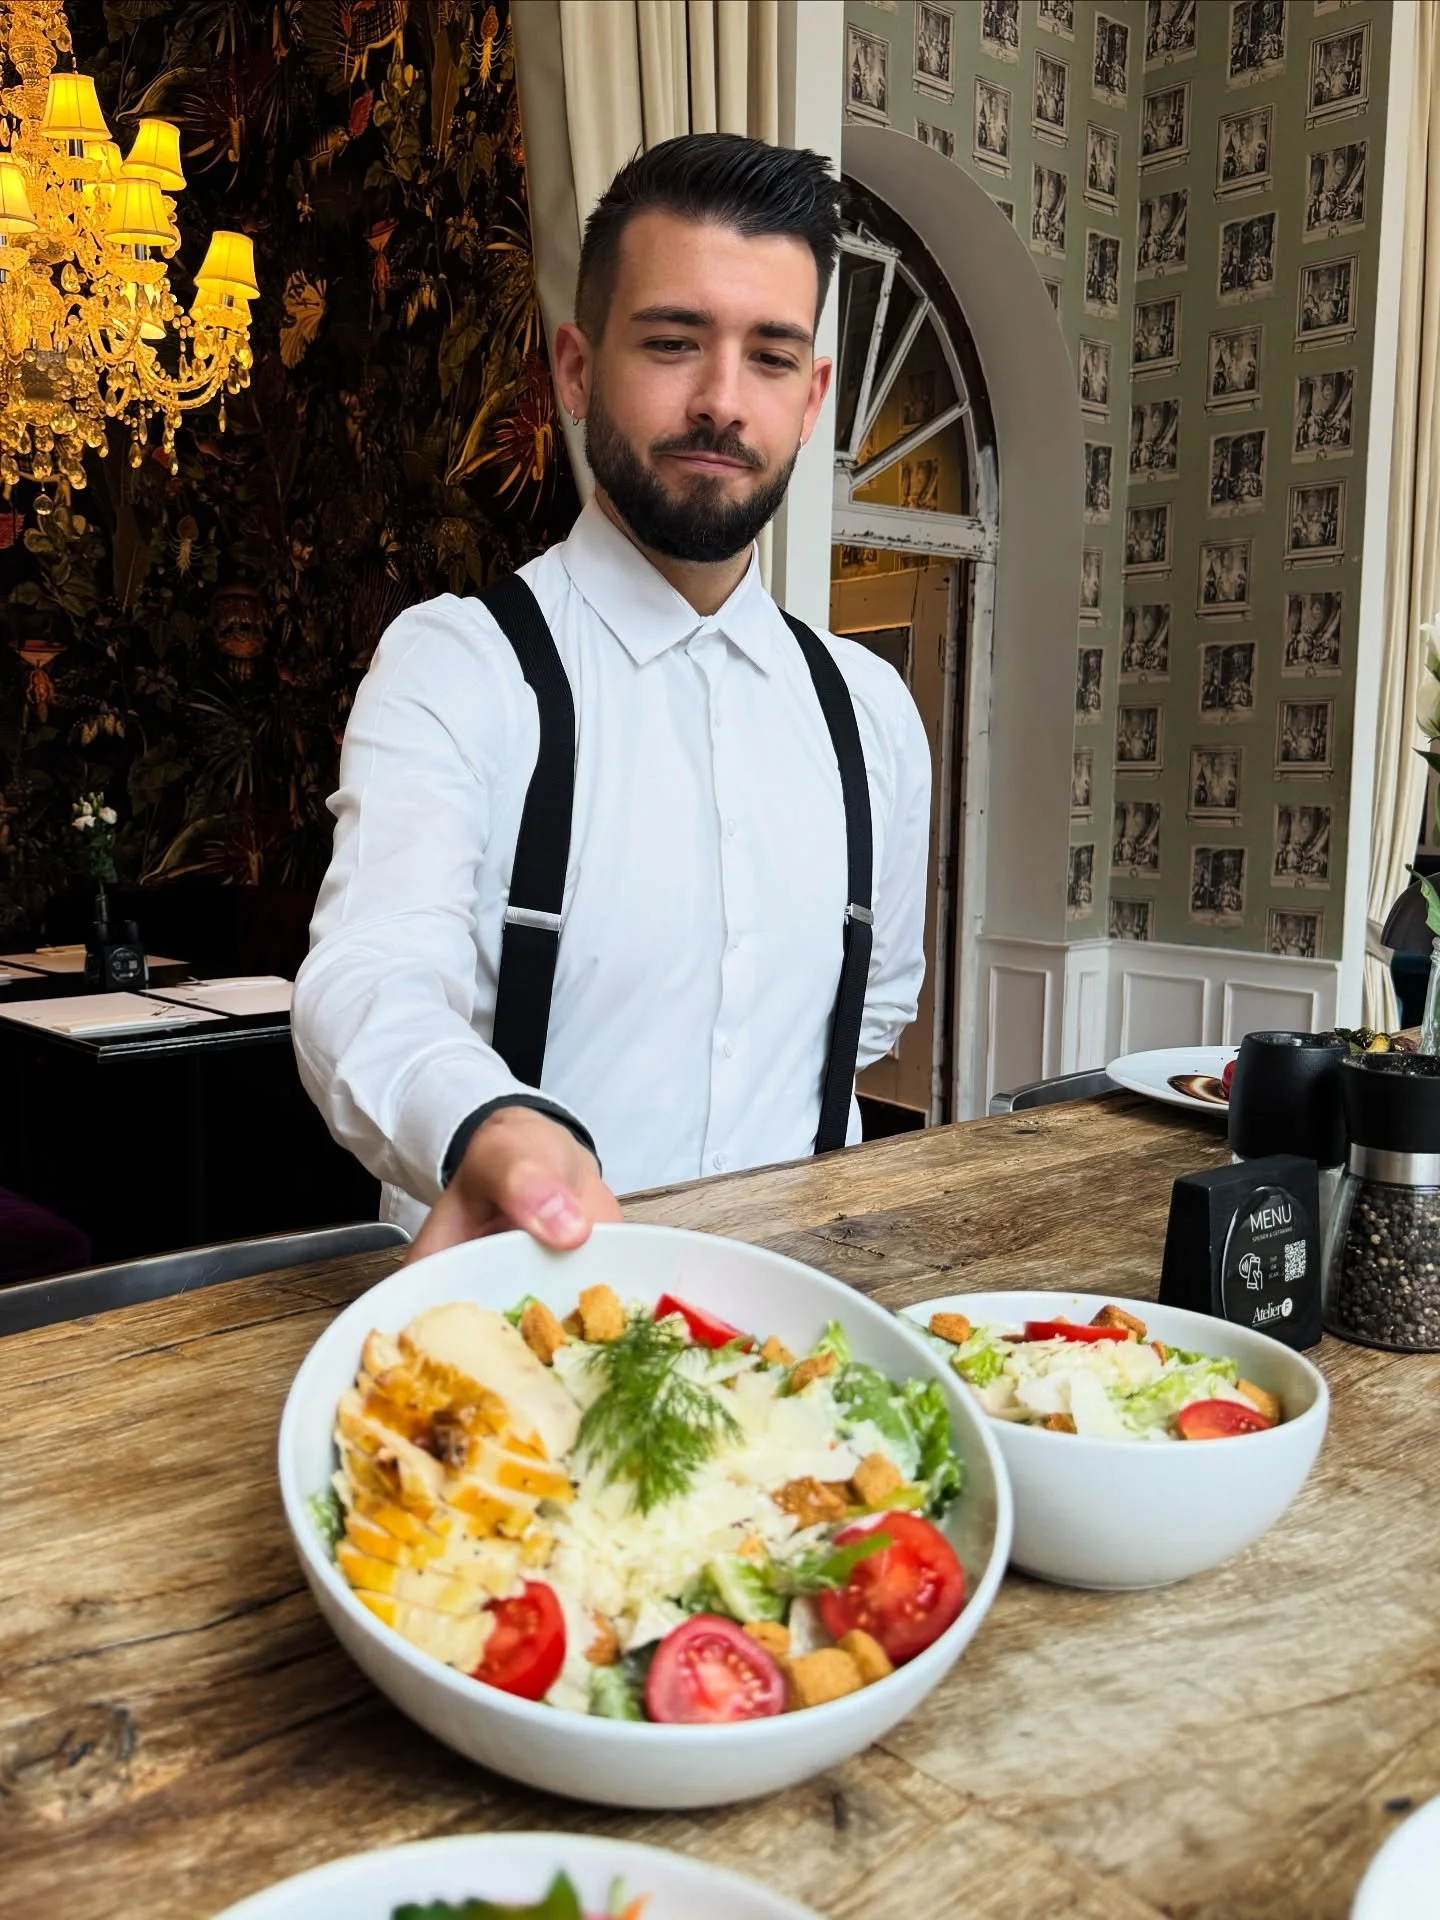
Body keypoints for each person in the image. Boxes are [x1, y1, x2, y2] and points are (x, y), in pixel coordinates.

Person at [292, 134, 930, 1265]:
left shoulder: (872, 712)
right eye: (674, 343)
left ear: (814, 395)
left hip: (795, 1336)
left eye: (772, 357)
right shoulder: (458, 666)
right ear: (578, 370)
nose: (723, 402)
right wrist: (487, 1123)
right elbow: (370, 981)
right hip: (514, 1335)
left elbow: (869, 1013)